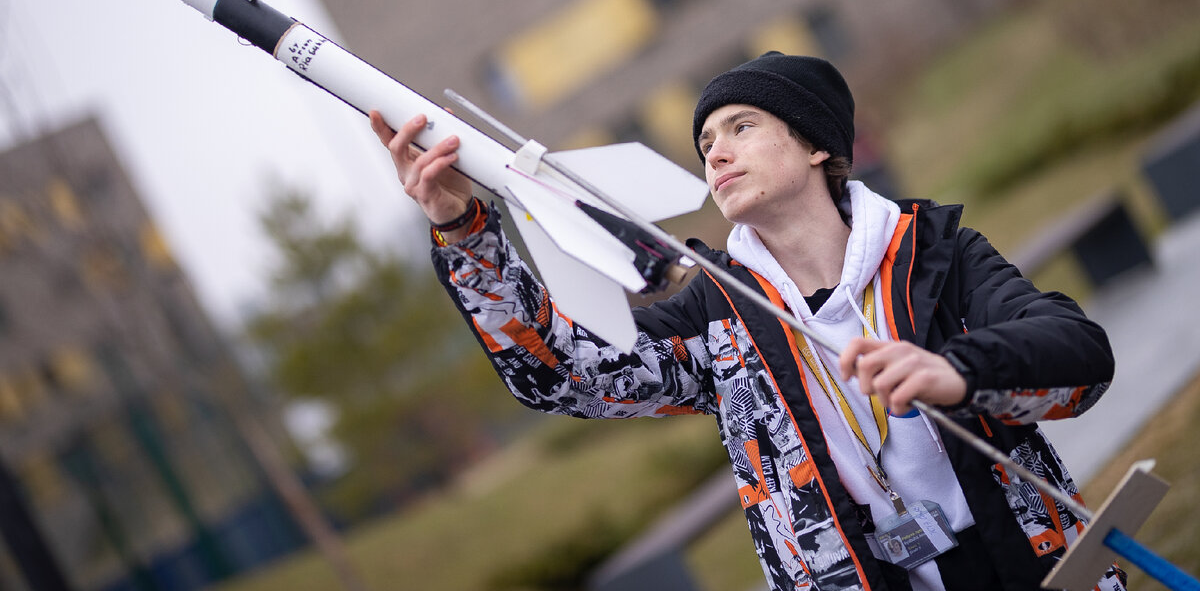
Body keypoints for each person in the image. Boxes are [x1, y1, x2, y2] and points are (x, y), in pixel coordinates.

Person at [369, 52, 1124, 591]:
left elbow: (1079, 361)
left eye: (742, 127)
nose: (716, 153)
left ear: (817, 144)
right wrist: (464, 228)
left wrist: (957, 372)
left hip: (1030, 565)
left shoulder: (935, 253)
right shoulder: (717, 313)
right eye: (706, 143)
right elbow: (564, 374)